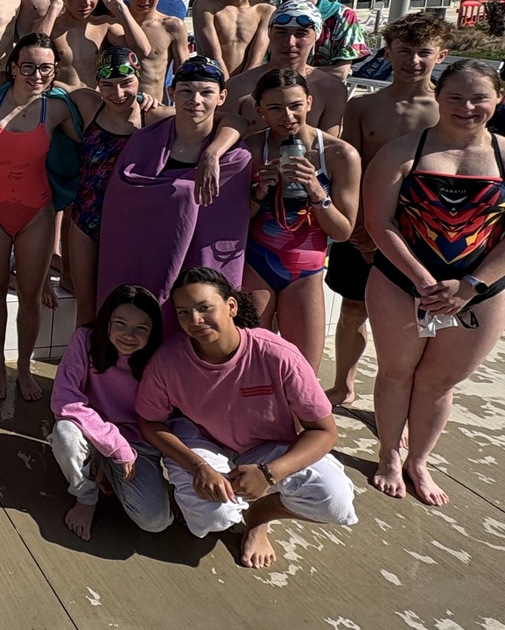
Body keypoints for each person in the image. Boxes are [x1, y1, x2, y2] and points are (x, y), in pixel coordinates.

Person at [365, 60, 505, 507]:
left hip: (481, 291)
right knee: (396, 372)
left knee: (438, 381)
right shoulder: (401, 153)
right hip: (400, 280)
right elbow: (379, 222)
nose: (467, 107)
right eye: (455, 97)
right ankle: (389, 455)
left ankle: (419, 461)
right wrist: (423, 280)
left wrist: (470, 285)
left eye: (479, 98)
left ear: (499, 98)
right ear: (437, 96)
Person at [137, 267, 357, 568]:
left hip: (266, 446)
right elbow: (150, 422)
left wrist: (269, 474)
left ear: (231, 306)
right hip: (203, 442)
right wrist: (197, 466)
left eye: (204, 308)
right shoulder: (167, 361)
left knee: (335, 501)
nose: (195, 320)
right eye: (184, 312)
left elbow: (325, 431)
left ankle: (261, 514)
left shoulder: (277, 354)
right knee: (213, 518)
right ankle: (193, 497)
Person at [328, 12, 450, 405]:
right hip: (366, 223)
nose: (413, 61)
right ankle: (344, 383)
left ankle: (401, 398)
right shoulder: (362, 107)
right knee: (353, 308)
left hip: (420, 231)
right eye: (404, 51)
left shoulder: (447, 110)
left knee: (410, 320)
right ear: (388, 52)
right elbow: (351, 169)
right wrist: (359, 227)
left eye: (423, 52)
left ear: (440, 55)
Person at [98, 55, 251, 328]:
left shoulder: (236, 160)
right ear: (171, 93)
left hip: (201, 269)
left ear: (222, 97)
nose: (195, 100)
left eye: (206, 92)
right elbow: (123, 205)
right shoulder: (144, 143)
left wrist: (211, 154)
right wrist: (183, 194)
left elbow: (228, 222)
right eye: (186, 91)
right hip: (146, 261)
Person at [242, 70, 360, 375]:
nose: (287, 116)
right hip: (256, 264)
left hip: (305, 271)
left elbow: (343, 232)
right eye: (275, 108)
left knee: (304, 373)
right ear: (259, 109)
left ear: (309, 102)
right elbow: (233, 225)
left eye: (295, 105)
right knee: (251, 365)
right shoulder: (250, 150)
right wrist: (259, 192)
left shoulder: (339, 154)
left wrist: (317, 191)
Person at [49, 44, 168, 326]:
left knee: (126, 308)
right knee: (86, 309)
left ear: (139, 78)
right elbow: (42, 81)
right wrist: (0, 74)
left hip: (130, 226)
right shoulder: (90, 104)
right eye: (108, 85)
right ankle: (83, 356)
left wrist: (213, 154)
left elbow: (224, 119)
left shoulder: (153, 117)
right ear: (98, 85)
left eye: (126, 83)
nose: (118, 93)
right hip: (85, 223)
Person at [0, 33, 59, 402]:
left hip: (36, 213)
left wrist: (145, 99)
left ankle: (23, 367)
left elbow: (107, 107)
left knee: (30, 295)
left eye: (45, 68)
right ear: (13, 67)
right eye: (28, 66)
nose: (36, 75)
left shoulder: (58, 106)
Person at [50, 285, 174, 540]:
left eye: (141, 328)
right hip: (90, 430)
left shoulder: (160, 359)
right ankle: (85, 496)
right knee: (64, 434)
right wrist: (115, 446)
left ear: (153, 332)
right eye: (120, 323)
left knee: (155, 522)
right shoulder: (84, 339)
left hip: (137, 440)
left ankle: (104, 466)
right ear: (107, 321)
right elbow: (64, 399)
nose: (129, 335)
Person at [221, 0, 348, 134]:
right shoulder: (237, 87)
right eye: (281, 32)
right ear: (269, 34)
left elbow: (328, 144)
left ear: (315, 37)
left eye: (301, 33)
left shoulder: (331, 90)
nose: (290, 42)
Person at [50, 0, 151, 89]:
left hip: (95, 100)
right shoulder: (51, 25)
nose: (86, 3)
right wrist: (54, 7)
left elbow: (142, 52)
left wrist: (120, 8)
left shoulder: (104, 25)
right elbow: (30, 52)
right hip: (61, 99)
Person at [285, 0, 369, 82]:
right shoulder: (273, 14)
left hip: (324, 90)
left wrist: (287, 74)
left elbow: (340, 72)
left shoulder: (342, 16)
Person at [123, 0, 189, 103]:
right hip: (119, 109)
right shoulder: (114, 25)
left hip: (156, 108)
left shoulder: (172, 27)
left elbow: (186, 75)